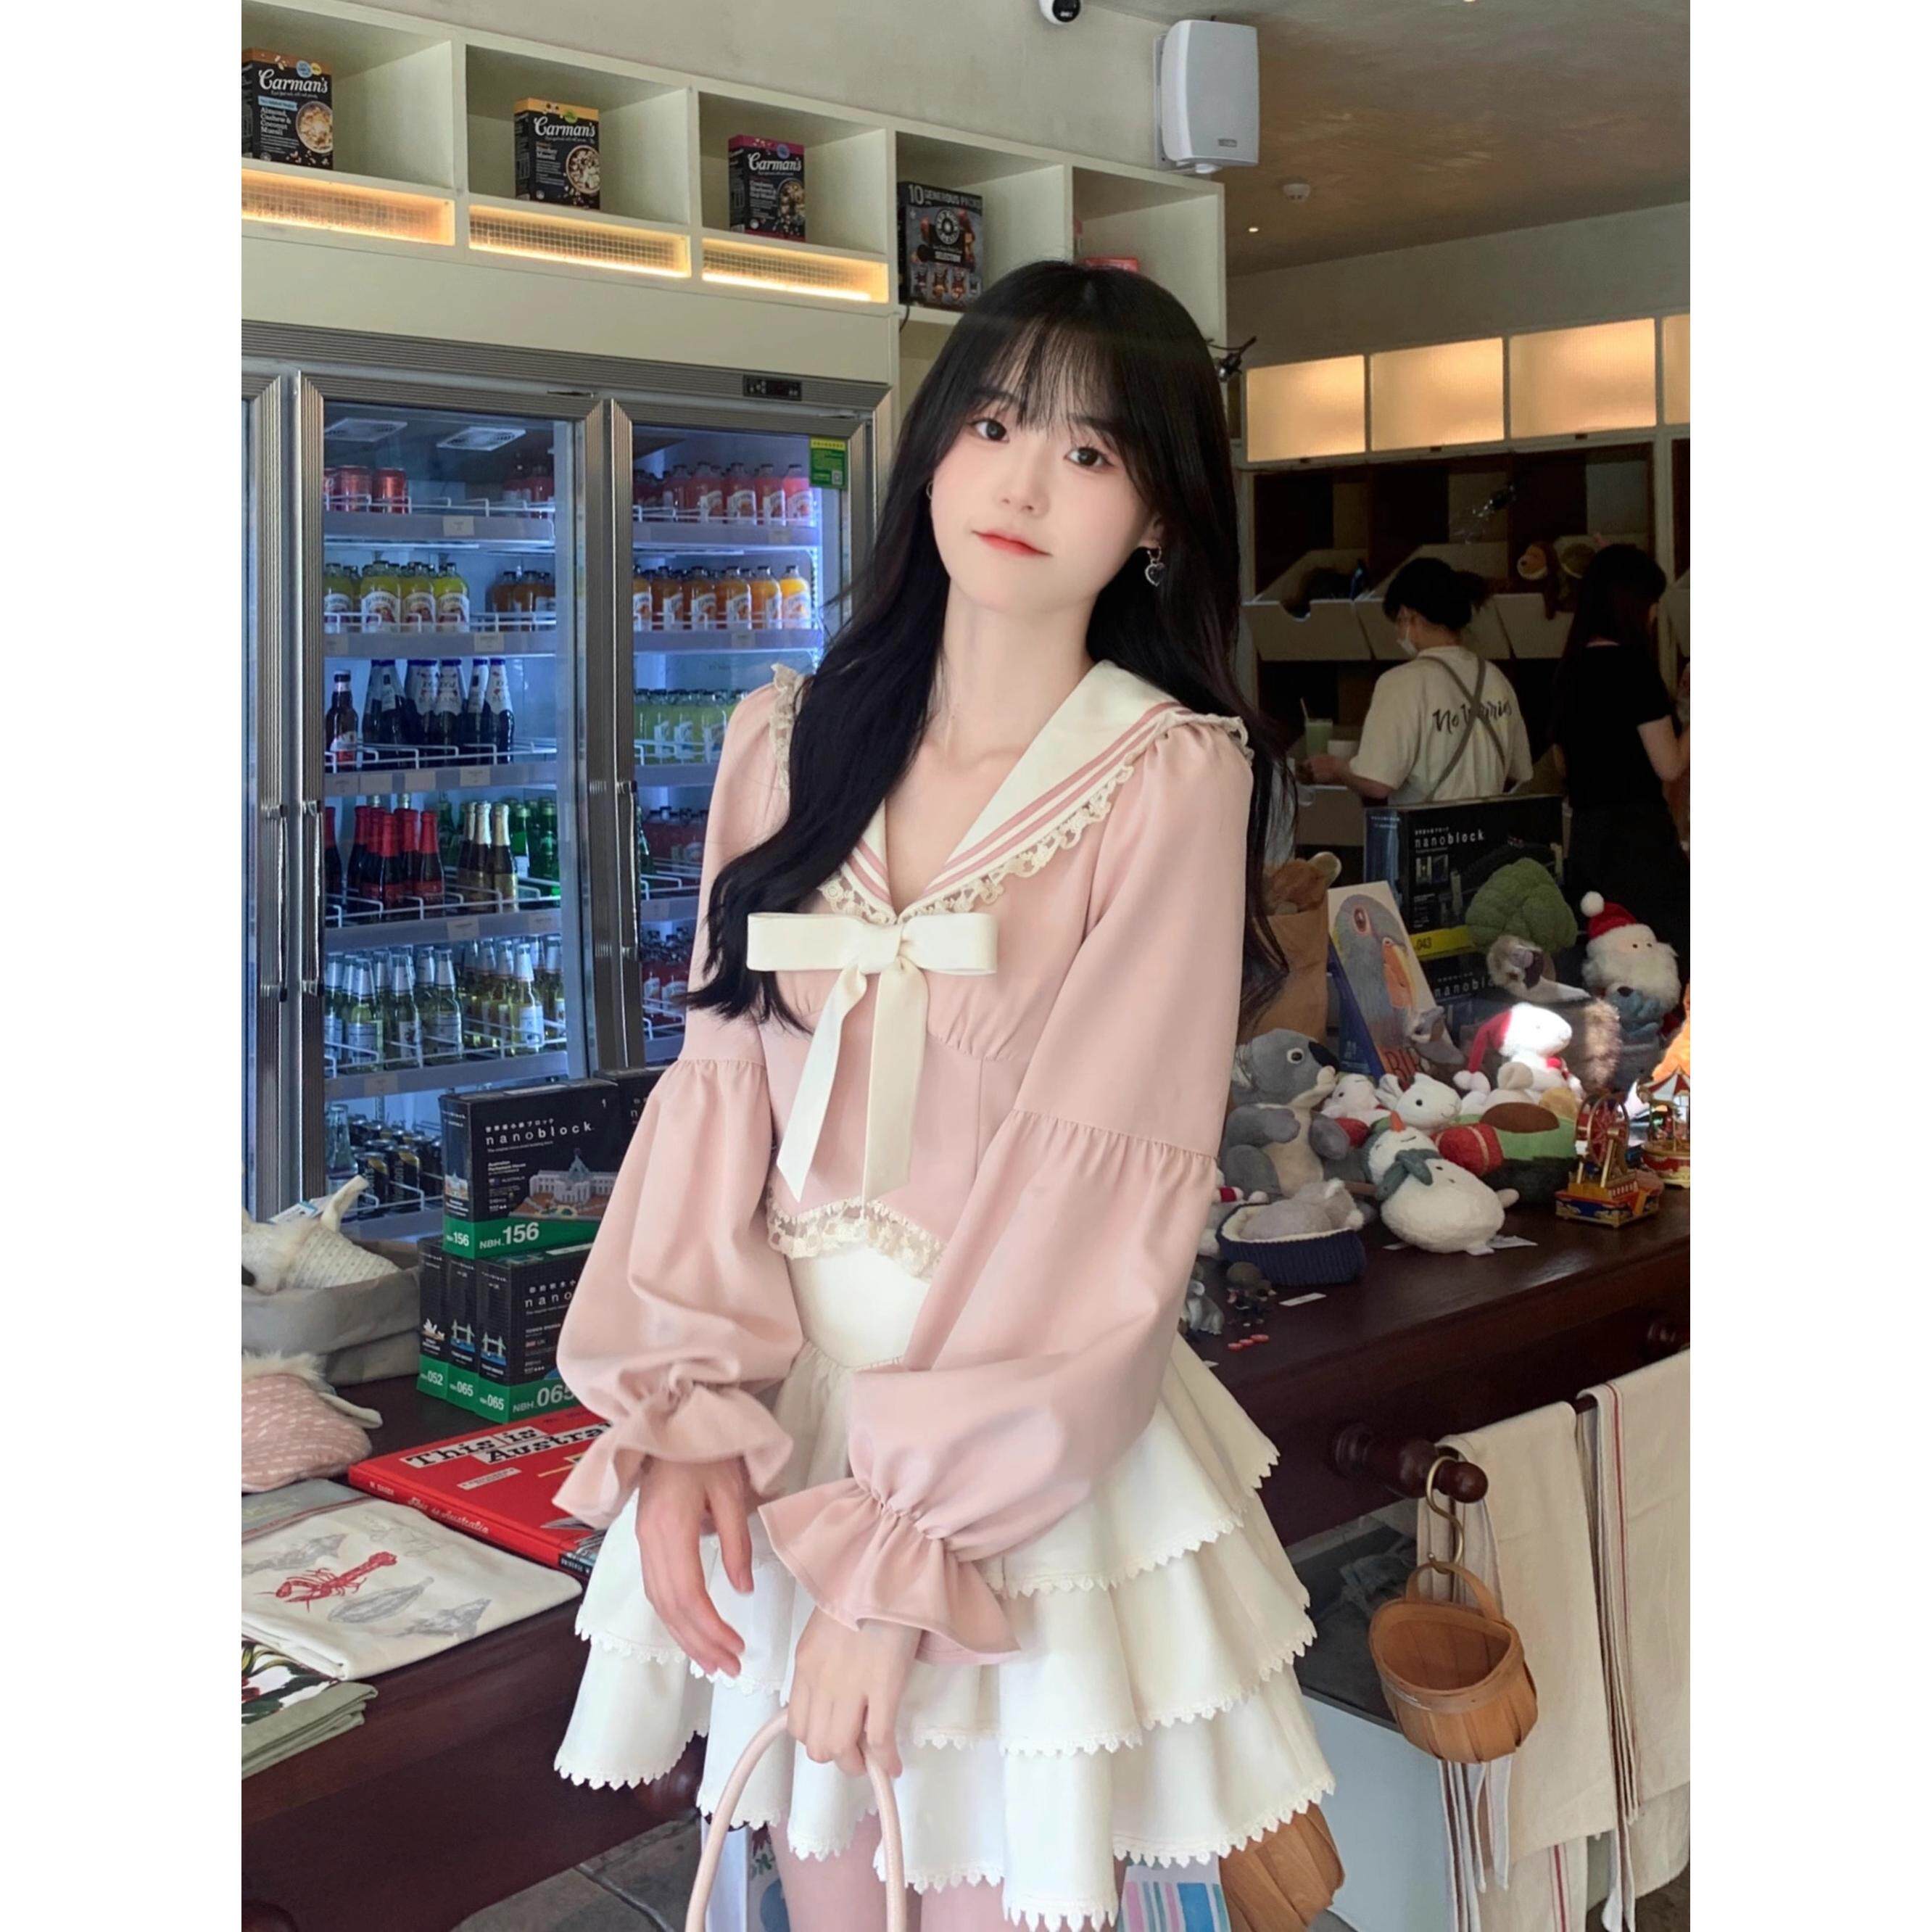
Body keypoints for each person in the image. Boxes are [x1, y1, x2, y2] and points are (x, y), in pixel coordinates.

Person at [549, 263, 1335, 1932]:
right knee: (829, 1878)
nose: (1024, 482)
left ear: (1159, 516)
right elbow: (721, 1090)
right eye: (993, 423)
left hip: (1013, 1443)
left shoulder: (1165, 775)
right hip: (797, 1417)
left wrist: (902, 1563)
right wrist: (684, 1408)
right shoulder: (784, 739)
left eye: (1091, 451)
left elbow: (1102, 1182)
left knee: (997, 1891)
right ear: (931, 450)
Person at [1551, 544, 1689, 967]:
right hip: (1640, 843)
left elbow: (1561, 764)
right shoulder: (1634, 668)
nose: (1654, 615)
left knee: (1604, 962)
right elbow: (1669, 765)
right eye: (1651, 604)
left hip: (1588, 841)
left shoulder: (1568, 669)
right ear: (1632, 604)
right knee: (1656, 964)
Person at [1303, 556, 1532, 804]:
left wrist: (1336, 767)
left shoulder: (1400, 683)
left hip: (1429, 827)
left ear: (1408, 614)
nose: (1398, 633)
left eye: (1398, 621)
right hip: (1492, 826)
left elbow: (1377, 782)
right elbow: (1519, 772)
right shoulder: (1496, 678)